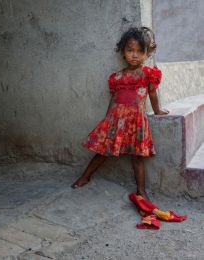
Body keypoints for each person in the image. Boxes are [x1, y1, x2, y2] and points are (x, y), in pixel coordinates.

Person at [71, 26, 169, 199]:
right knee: (103, 151)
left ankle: (141, 190)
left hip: (136, 122)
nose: (135, 55)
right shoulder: (117, 77)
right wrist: (107, 118)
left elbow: (152, 94)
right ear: (123, 52)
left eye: (140, 51)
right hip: (116, 120)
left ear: (146, 53)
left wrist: (158, 111)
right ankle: (85, 176)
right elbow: (114, 98)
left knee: (137, 158)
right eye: (130, 50)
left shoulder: (147, 74)